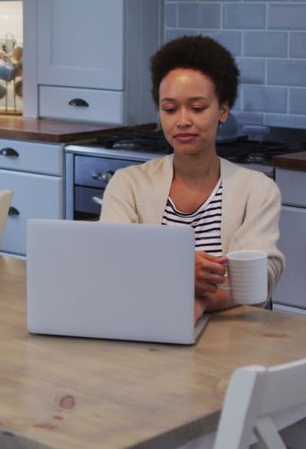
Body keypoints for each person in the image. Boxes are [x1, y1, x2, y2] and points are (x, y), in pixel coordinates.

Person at [99, 35, 284, 321]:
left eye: (197, 108)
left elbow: (260, 277)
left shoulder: (257, 190)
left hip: (233, 340)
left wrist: (198, 303)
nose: (182, 120)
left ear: (223, 110)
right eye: (170, 109)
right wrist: (180, 269)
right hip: (145, 326)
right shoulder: (128, 184)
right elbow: (111, 262)